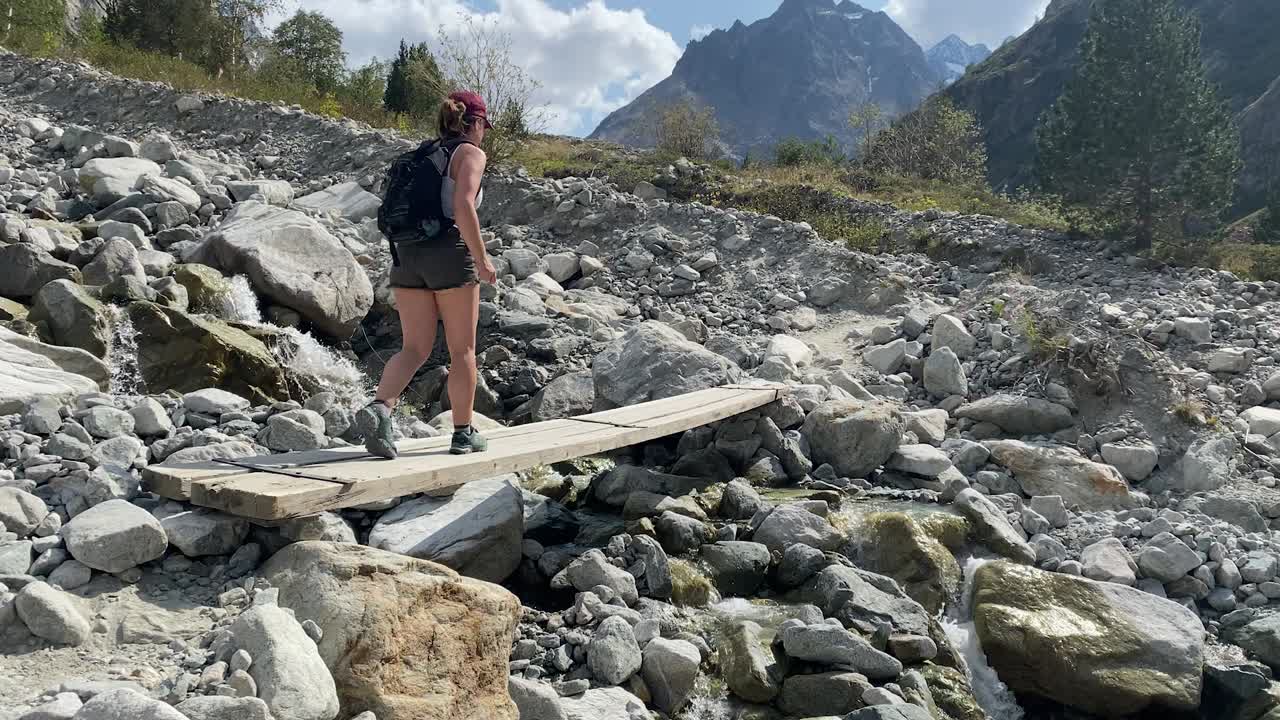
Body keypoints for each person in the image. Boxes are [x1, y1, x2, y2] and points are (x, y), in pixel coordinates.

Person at [356, 90, 498, 459]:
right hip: (448, 254)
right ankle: (464, 433)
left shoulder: (422, 153)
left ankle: (380, 408)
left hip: (406, 254)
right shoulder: (470, 153)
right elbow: (463, 205)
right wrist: (482, 260)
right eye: (484, 126)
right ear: (477, 123)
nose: (484, 134)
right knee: (462, 350)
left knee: (414, 347)